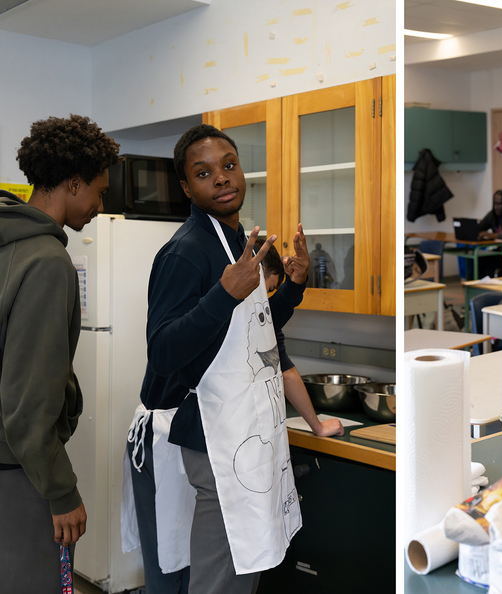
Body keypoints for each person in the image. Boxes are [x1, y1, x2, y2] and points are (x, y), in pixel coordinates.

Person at [122, 123, 342, 594]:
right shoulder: (185, 253)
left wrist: (295, 286)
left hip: (244, 428)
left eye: (228, 165)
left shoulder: (237, 240)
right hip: (212, 437)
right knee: (219, 578)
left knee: (241, 568)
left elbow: (252, 336)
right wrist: (223, 293)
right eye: (204, 173)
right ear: (186, 187)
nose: (221, 178)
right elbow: (162, 352)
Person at [0, 114, 120, 591]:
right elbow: (29, 405)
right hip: (19, 473)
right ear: (73, 183)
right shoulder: (48, 263)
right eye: (99, 190)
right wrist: (62, 491)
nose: (99, 205)